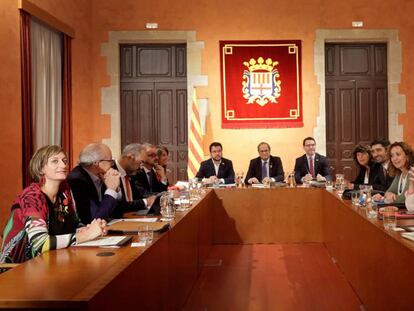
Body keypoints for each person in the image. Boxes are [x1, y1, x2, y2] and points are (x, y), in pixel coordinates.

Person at [0, 145, 106, 263]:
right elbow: (41, 243)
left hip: (49, 262)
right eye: (55, 161)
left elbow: (75, 224)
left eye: (64, 161)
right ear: (41, 169)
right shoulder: (32, 197)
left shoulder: (65, 192)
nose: (63, 165)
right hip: (18, 269)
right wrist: (85, 236)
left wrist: (90, 228)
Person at [67, 143, 122, 224]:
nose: (112, 165)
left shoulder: (102, 175)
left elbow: (118, 213)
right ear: (97, 163)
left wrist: (116, 188)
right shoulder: (77, 180)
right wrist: (111, 190)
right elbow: (94, 220)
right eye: (110, 161)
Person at [114, 143, 156, 212]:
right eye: (141, 162)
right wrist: (146, 202)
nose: (141, 167)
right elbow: (118, 206)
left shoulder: (131, 174)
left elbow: (137, 197)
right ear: (130, 157)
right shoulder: (110, 172)